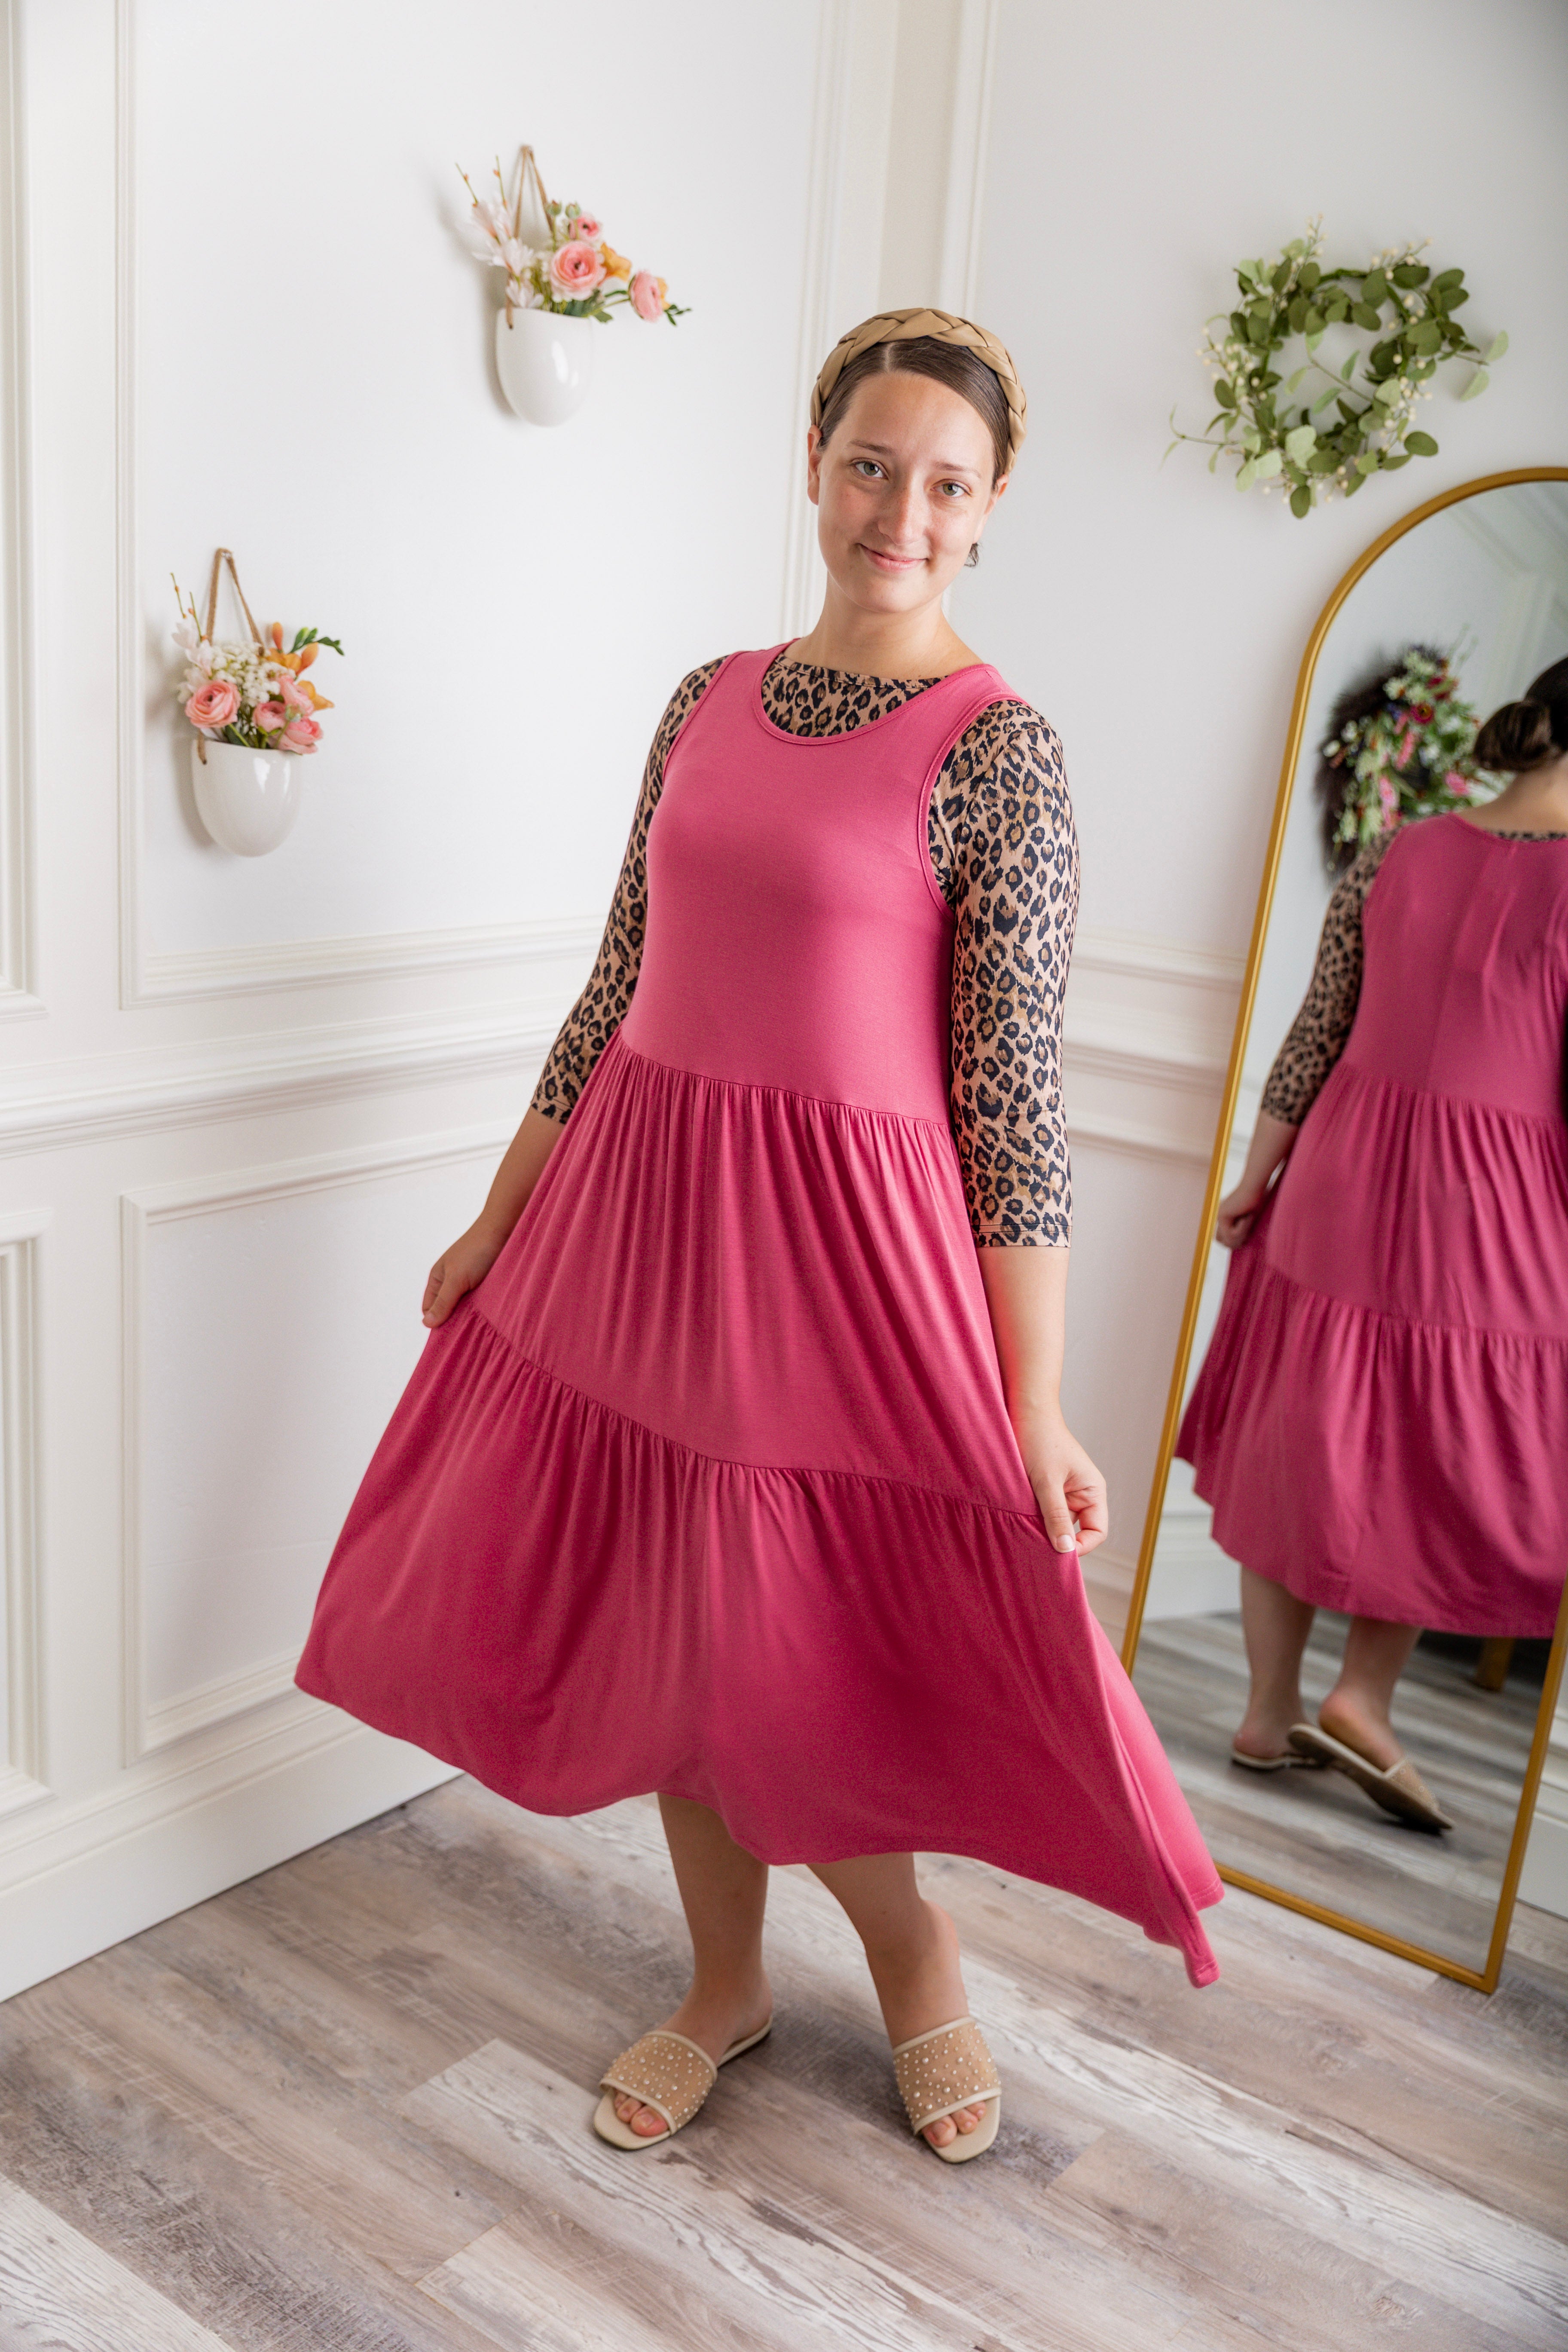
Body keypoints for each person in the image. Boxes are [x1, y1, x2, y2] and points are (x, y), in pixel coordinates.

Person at [297, 308, 1220, 2167]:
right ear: (815, 465)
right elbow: (619, 978)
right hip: (638, 1218)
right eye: (871, 464)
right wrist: (502, 1213)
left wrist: (1031, 1394)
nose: (902, 510)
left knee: (788, 1642)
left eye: (945, 484)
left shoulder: (1003, 755)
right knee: (668, 1624)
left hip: (843, 1262)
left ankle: (907, 1943)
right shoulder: (703, 696)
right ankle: (723, 1983)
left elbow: (1014, 1106)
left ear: (990, 509)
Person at [1180, 656, 1568, 1833]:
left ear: (1535, 723)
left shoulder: (1391, 847)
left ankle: (1263, 1713)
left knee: (1301, 1426)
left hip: (1342, 1165)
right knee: (1429, 1442)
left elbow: (1314, 1031)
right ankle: (1361, 1694)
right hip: (1496, 1201)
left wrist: (1257, 1175)